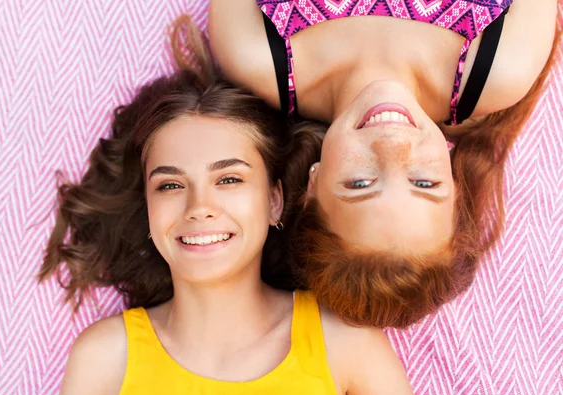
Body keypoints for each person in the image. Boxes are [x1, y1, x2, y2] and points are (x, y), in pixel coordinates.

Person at [39, 19, 415, 395]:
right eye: (170, 185)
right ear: (148, 207)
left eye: (229, 179)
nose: (199, 207)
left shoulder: (346, 343)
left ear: (274, 200)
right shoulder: (105, 360)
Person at [209, 0, 561, 327]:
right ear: (454, 184)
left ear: (312, 188)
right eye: (424, 183)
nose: (394, 144)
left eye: (360, 183)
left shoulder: (253, 53)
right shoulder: (501, 66)